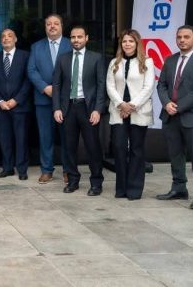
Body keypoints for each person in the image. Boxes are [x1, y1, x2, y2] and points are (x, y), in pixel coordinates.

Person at [156, 25, 193, 210]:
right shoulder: (170, 60)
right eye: (179, 37)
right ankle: (179, 188)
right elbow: (161, 85)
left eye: (186, 37)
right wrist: (166, 103)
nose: (182, 40)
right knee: (175, 155)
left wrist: (179, 106)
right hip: (171, 116)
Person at [53, 25, 106, 196]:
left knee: (93, 147)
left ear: (86, 38)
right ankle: (73, 180)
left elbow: (101, 85)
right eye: (73, 37)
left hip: (88, 108)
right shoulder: (63, 58)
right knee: (69, 147)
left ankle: (96, 182)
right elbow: (56, 85)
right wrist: (57, 108)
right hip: (68, 108)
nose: (76, 40)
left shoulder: (96, 58)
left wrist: (98, 109)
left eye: (79, 37)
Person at [106, 29, 154, 200]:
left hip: (138, 111)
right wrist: (121, 104)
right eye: (124, 41)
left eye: (131, 41)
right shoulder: (114, 62)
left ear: (137, 43)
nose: (127, 44)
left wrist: (131, 106)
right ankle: (121, 188)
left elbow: (148, 87)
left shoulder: (147, 62)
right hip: (118, 111)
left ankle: (134, 189)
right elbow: (110, 86)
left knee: (136, 150)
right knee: (119, 148)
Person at [27, 14, 73, 184]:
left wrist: (61, 90)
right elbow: (31, 70)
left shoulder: (71, 44)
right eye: (49, 24)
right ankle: (47, 170)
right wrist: (44, 87)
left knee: (67, 137)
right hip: (43, 99)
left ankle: (68, 170)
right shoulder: (36, 47)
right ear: (45, 27)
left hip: (66, 99)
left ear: (61, 26)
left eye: (56, 24)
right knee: (45, 137)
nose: (52, 26)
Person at [0, 29, 31, 180]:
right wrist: (0, 101)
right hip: (1, 108)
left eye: (9, 36)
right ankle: (7, 168)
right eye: (3, 37)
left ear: (16, 39)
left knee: (21, 139)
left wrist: (16, 100)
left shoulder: (25, 56)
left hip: (20, 106)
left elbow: (28, 80)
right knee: (4, 139)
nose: (6, 38)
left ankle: (22, 169)